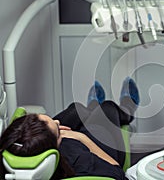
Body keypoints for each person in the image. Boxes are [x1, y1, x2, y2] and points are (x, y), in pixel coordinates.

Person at [0, 77, 140, 180]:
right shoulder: (79, 161)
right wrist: (81, 137)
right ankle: (128, 106)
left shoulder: (11, 152)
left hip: (65, 143)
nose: (57, 121)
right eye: (58, 130)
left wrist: (55, 132)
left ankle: (91, 107)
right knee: (107, 108)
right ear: (55, 148)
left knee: (76, 109)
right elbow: (119, 175)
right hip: (89, 146)